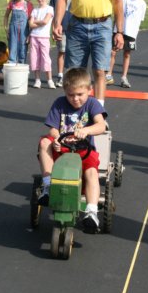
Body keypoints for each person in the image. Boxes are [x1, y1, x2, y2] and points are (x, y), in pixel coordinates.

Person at [37, 67, 107, 233]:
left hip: (84, 150)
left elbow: (101, 125)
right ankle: (48, 185)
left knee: (91, 172)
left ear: (89, 90)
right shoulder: (59, 103)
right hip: (63, 148)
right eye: (71, 95)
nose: (75, 99)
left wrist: (86, 130)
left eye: (79, 95)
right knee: (44, 142)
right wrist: (57, 138)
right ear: (65, 92)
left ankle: (91, 211)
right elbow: (52, 129)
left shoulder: (92, 104)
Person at [106, 0, 148, 89]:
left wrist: (135, 34)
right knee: (113, 52)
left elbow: (139, 20)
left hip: (131, 33)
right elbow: (116, 12)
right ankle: (108, 75)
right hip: (119, 30)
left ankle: (124, 77)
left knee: (127, 54)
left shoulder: (142, 4)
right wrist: (115, 28)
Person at [29, 0, 55, 89]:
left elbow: (45, 21)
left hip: (44, 37)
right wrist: (37, 22)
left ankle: (49, 80)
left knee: (46, 58)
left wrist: (35, 21)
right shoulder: (35, 10)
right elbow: (30, 25)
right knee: (34, 58)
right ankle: (37, 79)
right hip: (34, 37)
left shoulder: (50, 9)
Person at [50, 0, 70, 87]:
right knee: (61, 51)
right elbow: (52, 13)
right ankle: (60, 75)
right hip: (60, 28)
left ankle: (70, 75)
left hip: (73, 27)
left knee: (72, 53)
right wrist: (53, 28)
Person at [4, 0, 32, 65]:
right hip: (13, 31)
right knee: (12, 51)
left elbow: (31, 21)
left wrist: (29, 35)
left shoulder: (28, 5)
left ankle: (21, 72)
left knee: (22, 52)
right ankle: (12, 71)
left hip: (24, 32)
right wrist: (6, 30)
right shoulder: (12, 3)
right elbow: (6, 16)